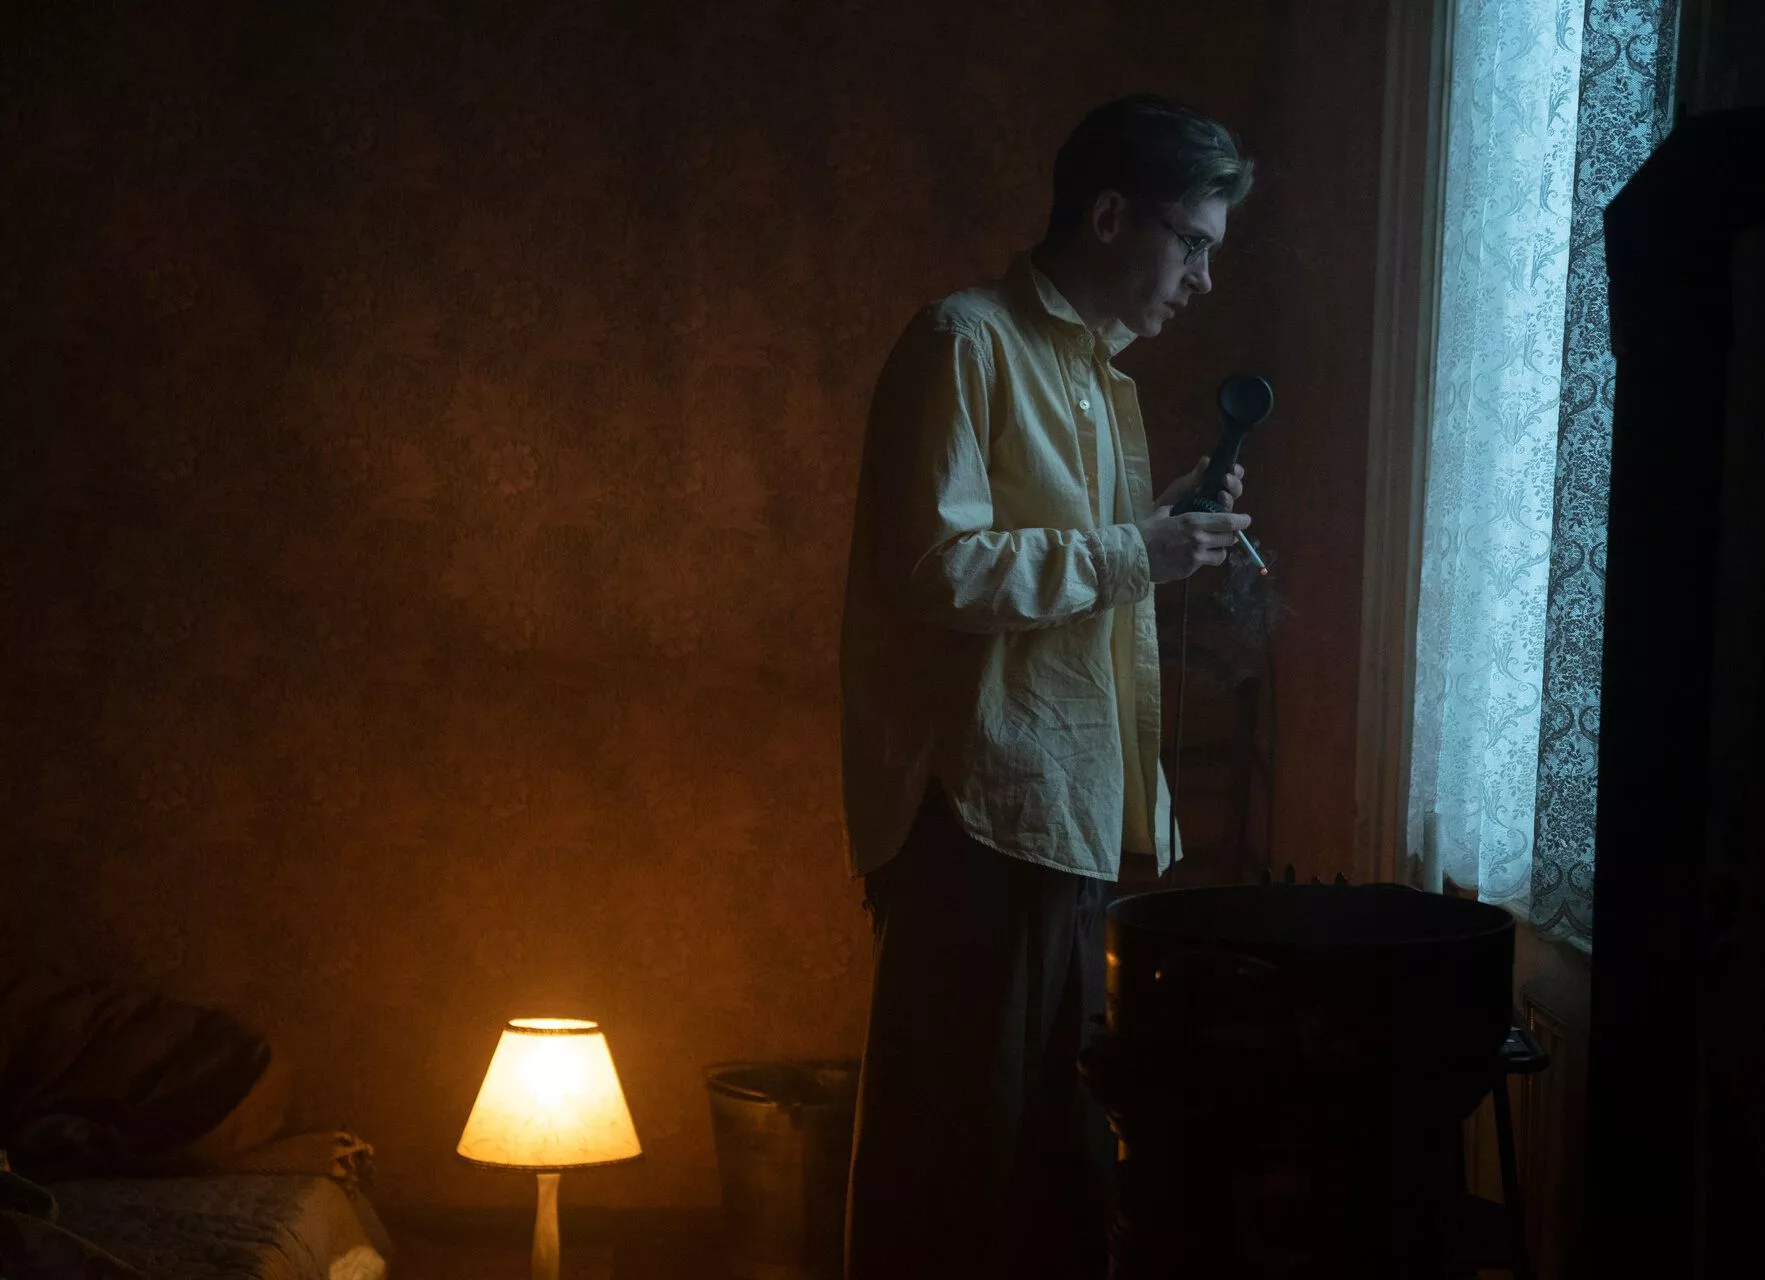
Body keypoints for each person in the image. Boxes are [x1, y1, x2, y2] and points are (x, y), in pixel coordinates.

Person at [838, 95, 1256, 1280]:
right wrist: (1135, 549)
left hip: (1061, 806)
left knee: (1055, 1169)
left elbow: (1059, 567)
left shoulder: (1093, 375)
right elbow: (935, 567)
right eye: (1193, 243)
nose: (1205, 279)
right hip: (978, 814)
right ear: (1111, 215)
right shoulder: (964, 341)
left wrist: (1157, 526)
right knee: (954, 1169)